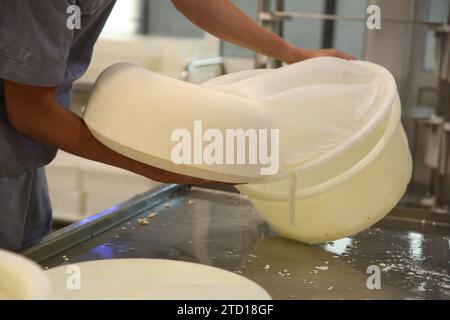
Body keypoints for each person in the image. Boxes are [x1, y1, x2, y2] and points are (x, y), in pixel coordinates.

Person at [0, 0, 354, 251]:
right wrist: (149, 165)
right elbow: (30, 111)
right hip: (9, 147)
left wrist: (292, 53)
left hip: (25, 155)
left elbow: (195, 1)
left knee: (33, 267)